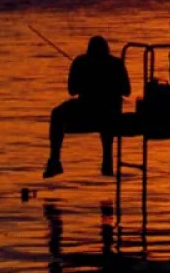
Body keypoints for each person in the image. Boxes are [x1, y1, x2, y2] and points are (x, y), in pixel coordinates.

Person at [44, 35, 131, 178]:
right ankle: (107, 161)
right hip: (109, 110)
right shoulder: (116, 63)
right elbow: (127, 91)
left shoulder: (81, 62)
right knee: (107, 117)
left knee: (57, 114)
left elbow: (72, 90)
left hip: (87, 109)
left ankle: (54, 159)